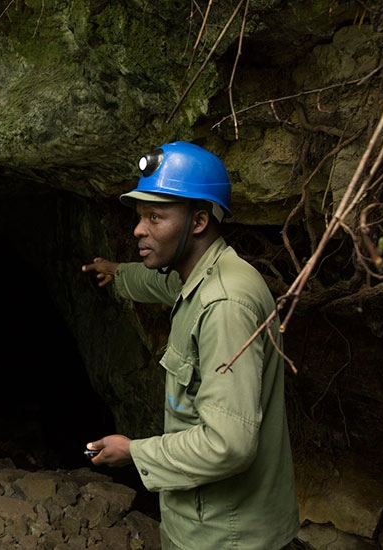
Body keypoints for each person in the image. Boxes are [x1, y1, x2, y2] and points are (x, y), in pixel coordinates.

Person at [82, 141, 299, 550]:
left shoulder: (224, 305)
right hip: (210, 523)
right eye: (139, 216)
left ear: (198, 221)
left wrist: (135, 452)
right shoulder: (211, 274)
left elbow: (228, 445)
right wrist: (118, 273)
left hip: (225, 534)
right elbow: (165, 285)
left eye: (155, 217)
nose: (138, 229)